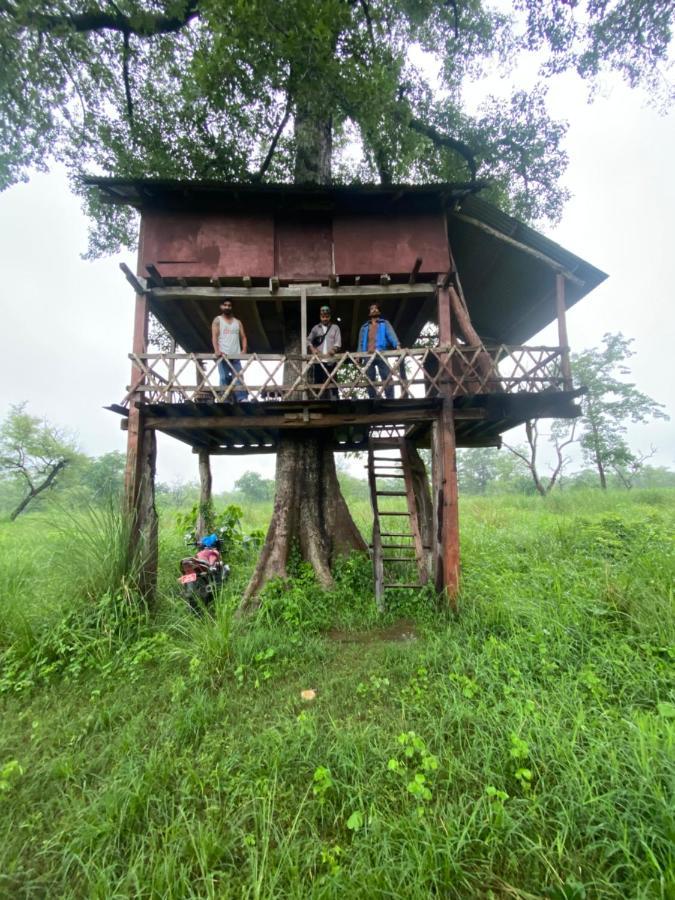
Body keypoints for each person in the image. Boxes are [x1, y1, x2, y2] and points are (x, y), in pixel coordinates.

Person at [357, 303, 400, 399]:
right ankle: (373, 398)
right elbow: (360, 343)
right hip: (367, 355)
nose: (374, 310)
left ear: (379, 311)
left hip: (381, 353)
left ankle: (390, 398)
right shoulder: (364, 327)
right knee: (369, 378)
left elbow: (391, 334)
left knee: (387, 376)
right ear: (369, 312)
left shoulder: (384, 323)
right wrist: (358, 355)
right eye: (372, 308)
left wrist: (397, 344)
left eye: (376, 308)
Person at [211, 297, 248, 401]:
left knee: (239, 377)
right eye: (225, 305)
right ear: (221, 306)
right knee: (224, 377)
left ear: (232, 307)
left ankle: (242, 398)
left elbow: (243, 337)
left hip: (235, 355)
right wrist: (217, 350)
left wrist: (244, 350)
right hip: (223, 355)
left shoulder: (238, 322)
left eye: (229, 305)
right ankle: (224, 399)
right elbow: (214, 336)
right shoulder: (217, 320)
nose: (227, 307)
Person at [307, 305, 341, 399]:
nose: (325, 318)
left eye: (326, 316)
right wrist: (313, 349)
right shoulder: (315, 328)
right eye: (323, 316)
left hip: (331, 360)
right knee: (318, 382)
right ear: (320, 317)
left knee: (333, 382)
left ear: (329, 316)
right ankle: (318, 400)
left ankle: (335, 400)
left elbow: (338, 342)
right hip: (319, 360)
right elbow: (308, 340)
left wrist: (334, 349)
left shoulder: (335, 327)